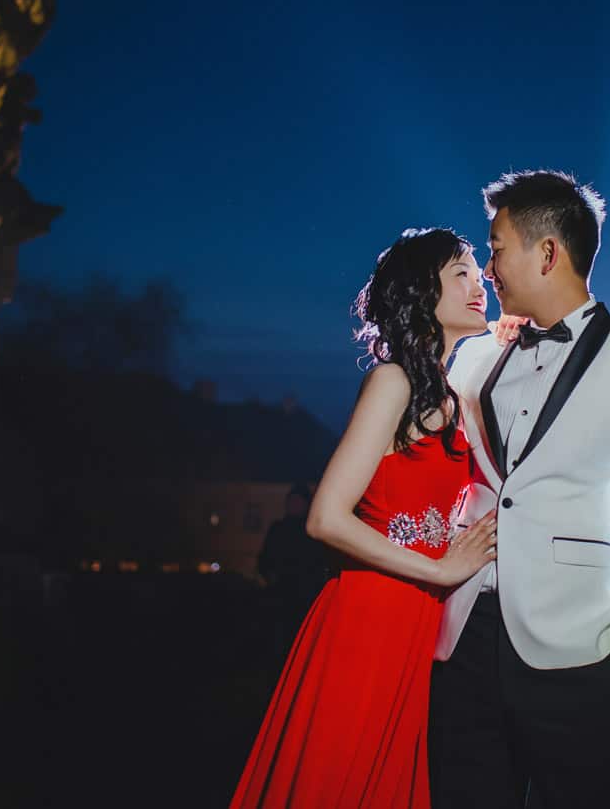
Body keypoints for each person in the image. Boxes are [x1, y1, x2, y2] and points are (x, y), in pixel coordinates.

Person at [430, 170, 610, 809]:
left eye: (495, 249)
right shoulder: (475, 356)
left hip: (578, 648)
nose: (487, 269)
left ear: (547, 252)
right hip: (465, 636)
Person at [228, 228, 500, 809]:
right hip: (366, 618)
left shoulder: (449, 395)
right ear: (422, 292)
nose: (481, 284)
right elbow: (325, 518)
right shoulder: (393, 380)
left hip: (414, 626)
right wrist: (442, 569)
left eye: (479, 273)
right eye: (462, 273)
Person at [257, 485, 329, 646]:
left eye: (298, 502)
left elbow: (319, 561)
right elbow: (265, 558)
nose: (294, 505)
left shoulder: (310, 531)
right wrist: (269, 577)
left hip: (306, 595)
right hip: (280, 594)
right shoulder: (278, 528)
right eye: (291, 501)